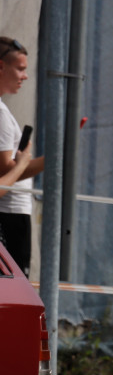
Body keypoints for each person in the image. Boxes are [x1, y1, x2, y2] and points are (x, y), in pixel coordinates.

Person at [0, 37, 45, 274]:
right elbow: (7, 174)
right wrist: (52, 159)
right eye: (20, 69)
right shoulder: (1, 115)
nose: (24, 76)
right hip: (10, 216)